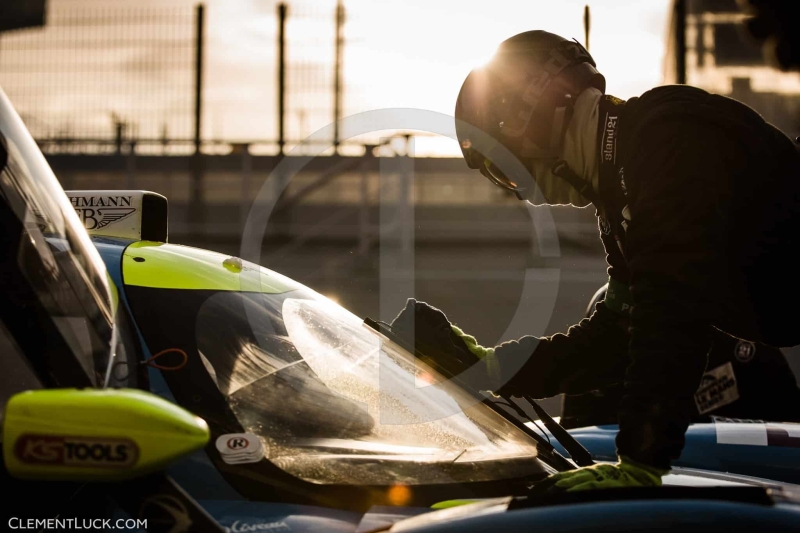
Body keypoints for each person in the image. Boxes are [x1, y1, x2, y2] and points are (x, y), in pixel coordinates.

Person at [390, 30, 800, 492]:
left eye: (503, 170)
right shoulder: (621, 197)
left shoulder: (667, 138)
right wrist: (493, 369)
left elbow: (673, 309)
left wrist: (642, 461)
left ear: (533, 120)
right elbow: (617, 338)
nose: (521, 191)